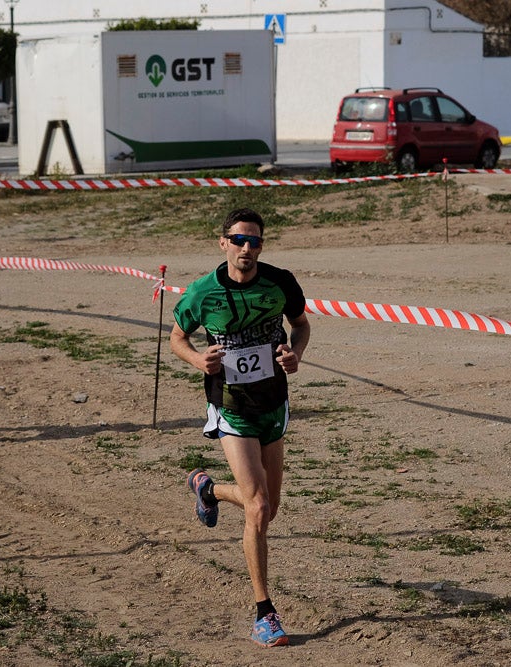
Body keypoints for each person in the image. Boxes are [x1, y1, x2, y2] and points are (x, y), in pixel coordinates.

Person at [170, 207, 310, 647]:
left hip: (273, 402)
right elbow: (177, 337)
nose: (246, 248)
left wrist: (295, 355)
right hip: (231, 405)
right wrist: (197, 359)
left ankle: (209, 490)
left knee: (269, 508)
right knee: (256, 507)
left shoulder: (280, 282)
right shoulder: (202, 293)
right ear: (223, 242)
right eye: (238, 240)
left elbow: (301, 326)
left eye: (254, 241)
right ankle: (264, 613)